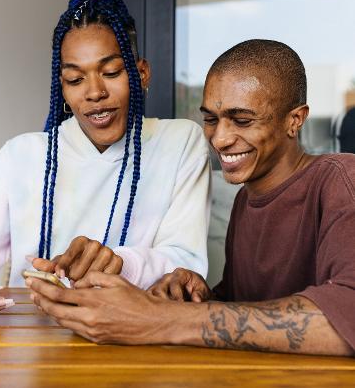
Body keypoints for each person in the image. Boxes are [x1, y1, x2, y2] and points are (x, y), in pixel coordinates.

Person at [27, 39, 355, 356]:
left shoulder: (342, 180)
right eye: (211, 119)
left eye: (242, 120)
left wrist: (156, 318)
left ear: (294, 120)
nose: (220, 138)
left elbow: (347, 313)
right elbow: (254, 312)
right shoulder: (246, 199)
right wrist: (202, 294)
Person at [0, 0, 210, 321]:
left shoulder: (181, 142)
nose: (94, 92)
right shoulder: (22, 155)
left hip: (136, 339)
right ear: (62, 90)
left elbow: (187, 263)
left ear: (141, 74)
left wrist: (120, 263)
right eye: (75, 79)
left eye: (111, 71)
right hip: (30, 345)